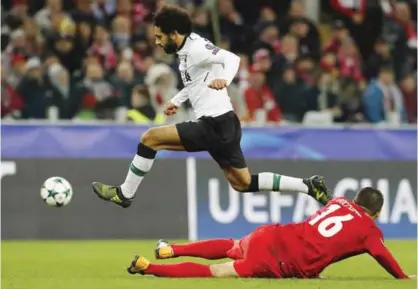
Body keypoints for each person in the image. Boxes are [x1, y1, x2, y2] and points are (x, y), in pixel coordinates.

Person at [91, 5, 332, 208]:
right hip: (223, 124)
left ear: (174, 34)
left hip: (215, 123)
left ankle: (125, 193)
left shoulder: (196, 49)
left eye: (159, 36)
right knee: (242, 182)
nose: (156, 41)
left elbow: (232, 59)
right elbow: (197, 83)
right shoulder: (186, 50)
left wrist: (225, 80)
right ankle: (308, 185)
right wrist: (178, 100)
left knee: (150, 138)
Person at [127, 187, 412, 279]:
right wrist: (402, 277)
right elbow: (382, 255)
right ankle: (147, 266)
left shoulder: (338, 201)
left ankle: (171, 249)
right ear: (376, 212)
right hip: (280, 260)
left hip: (273, 234)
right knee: (217, 272)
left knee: (233, 244)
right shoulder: (370, 230)